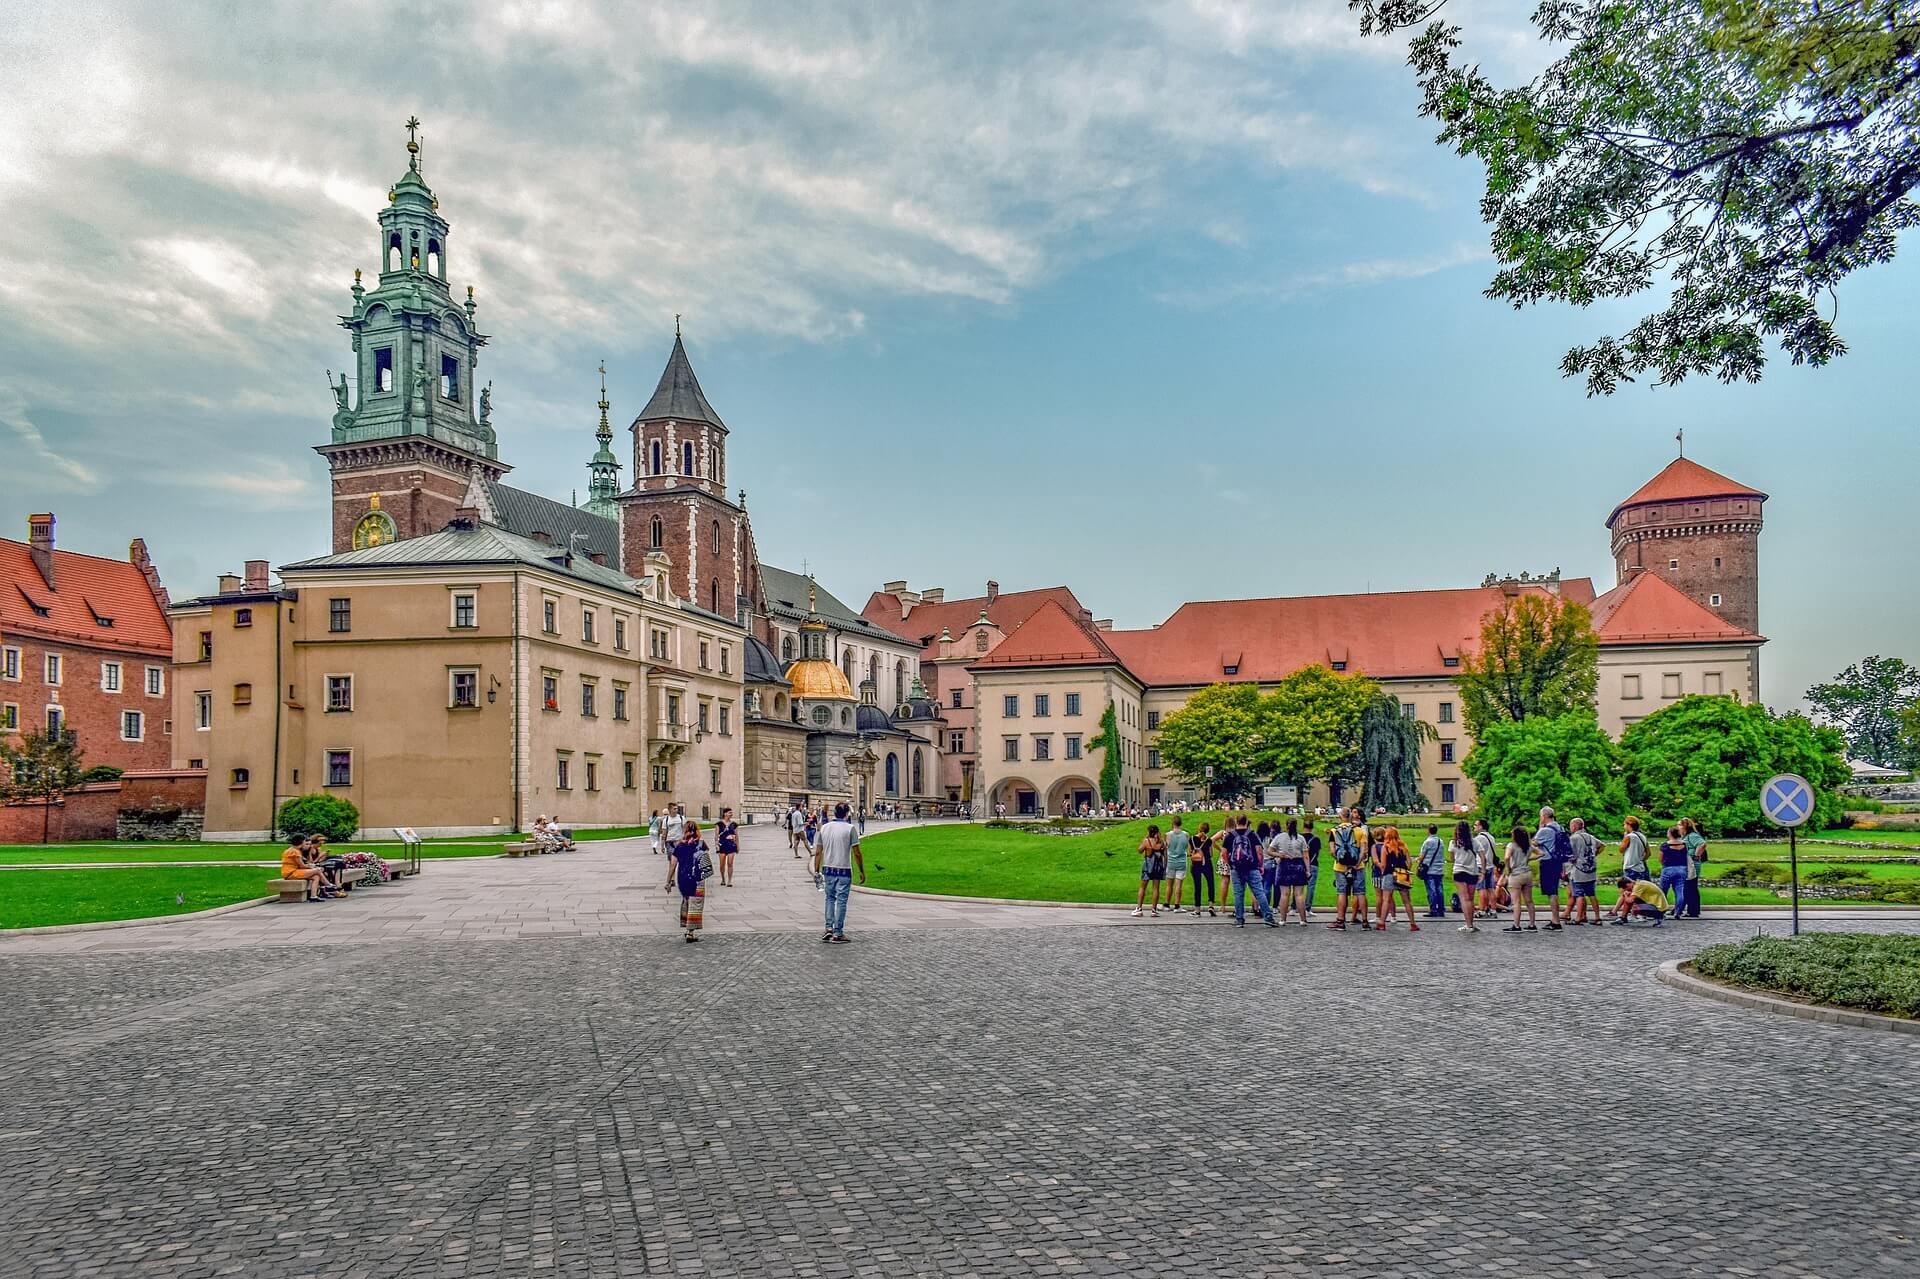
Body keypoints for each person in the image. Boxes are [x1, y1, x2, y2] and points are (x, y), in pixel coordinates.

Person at [812, 802, 865, 943]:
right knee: (841, 901)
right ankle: (838, 933)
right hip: (844, 869)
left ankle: (828, 929)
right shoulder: (850, 829)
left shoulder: (824, 828)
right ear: (847, 814)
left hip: (828, 868)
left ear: (834, 813)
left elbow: (818, 852)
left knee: (829, 899)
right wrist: (861, 871)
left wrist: (816, 871)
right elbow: (857, 853)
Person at [1224, 815, 1277, 927]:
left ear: (1236, 822)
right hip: (1252, 868)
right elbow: (1259, 852)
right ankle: (1268, 917)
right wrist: (1260, 865)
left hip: (1236, 869)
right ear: (1246, 822)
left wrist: (1230, 864)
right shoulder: (1252, 835)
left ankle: (1239, 919)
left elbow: (1224, 853)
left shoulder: (1230, 836)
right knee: (1259, 892)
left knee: (1238, 894)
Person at [667, 819, 709, 943]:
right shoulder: (701, 844)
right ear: (697, 831)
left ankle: (687, 928)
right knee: (696, 903)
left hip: (683, 877)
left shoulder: (679, 846)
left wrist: (668, 882)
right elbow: (705, 862)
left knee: (686, 901)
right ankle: (690, 933)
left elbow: (673, 865)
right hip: (697, 878)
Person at [1375, 826, 1420, 932]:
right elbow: (1409, 862)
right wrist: (1405, 870)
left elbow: (1383, 864)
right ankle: (1413, 923)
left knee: (1386, 899)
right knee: (1407, 901)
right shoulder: (1403, 846)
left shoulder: (1385, 847)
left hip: (1389, 874)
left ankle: (1382, 923)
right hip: (1402, 874)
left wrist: (1382, 871)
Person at [1328, 810, 1366, 932]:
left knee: (1342, 892)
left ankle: (1340, 921)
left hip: (1340, 867)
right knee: (1360, 893)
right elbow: (1363, 851)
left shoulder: (1334, 831)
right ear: (1350, 817)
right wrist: (1356, 863)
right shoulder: (1360, 830)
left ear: (1340, 817)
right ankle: (1365, 922)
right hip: (1358, 867)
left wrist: (1340, 861)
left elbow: (1332, 851)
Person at [1269, 818, 1310, 925]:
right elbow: (1305, 856)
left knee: (1284, 894)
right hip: (1298, 865)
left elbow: (1270, 851)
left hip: (1284, 864)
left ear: (1286, 826)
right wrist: (1308, 870)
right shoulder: (1301, 838)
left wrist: (1279, 855)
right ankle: (1302, 919)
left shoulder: (1279, 837)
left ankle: (1282, 919)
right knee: (1299, 894)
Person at [1534, 806, 1569, 929]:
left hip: (1547, 861)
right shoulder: (1559, 828)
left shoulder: (1545, 831)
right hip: (1557, 861)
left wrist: (1540, 827)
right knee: (1554, 890)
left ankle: (1555, 920)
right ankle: (1555, 919)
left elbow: (1534, 843)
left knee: (1551, 892)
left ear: (1543, 816)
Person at [1566, 817, 1604, 925]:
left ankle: (1579, 917)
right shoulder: (1590, 837)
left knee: (1579, 894)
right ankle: (1597, 917)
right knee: (1592, 894)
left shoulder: (1574, 838)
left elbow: (1569, 853)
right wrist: (1594, 855)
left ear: (1574, 826)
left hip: (1579, 870)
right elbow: (1602, 845)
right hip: (1591, 870)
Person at [1449, 821, 1484, 933]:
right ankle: (1471, 924)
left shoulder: (1454, 843)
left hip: (1459, 871)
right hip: (1472, 872)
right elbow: (1483, 857)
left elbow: (1452, 858)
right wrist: (1482, 871)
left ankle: (1468, 924)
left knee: (1464, 899)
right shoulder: (1474, 842)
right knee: (1471, 898)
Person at [1503, 826, 1539, 932]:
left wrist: (1508, 868)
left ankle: (1516, 925)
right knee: (1529, 900)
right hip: (1527, 874)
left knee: (1517, 902)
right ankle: (1532, 924)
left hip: (1516, 874)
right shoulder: (1528, 846)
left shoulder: (1512, 845)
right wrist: (1528, 858)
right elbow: (1541, 853)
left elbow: (1506, 857)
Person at [280, 836, 332, 901]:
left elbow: (302, 865)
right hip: (291, 873)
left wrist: (310, 866)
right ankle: (328, 885)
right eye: (305, 842)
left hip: (295, 871)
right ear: (301, 842)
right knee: (318, 870)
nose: (306, 844)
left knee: (316, 877)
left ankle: (313, 896)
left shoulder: (294, 850)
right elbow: (302, 866)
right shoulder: (294, 852)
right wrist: (311, 866)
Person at [1133, 824, 1168, 918]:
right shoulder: (1162, 842)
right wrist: (1165, 867)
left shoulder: (1146, 841)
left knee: (1142, 887)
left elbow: (1139, 850)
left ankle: (1139, 909)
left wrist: (1145, 842)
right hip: (1158, 866)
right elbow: (1165, 856)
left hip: (1148, 866)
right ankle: (1154, 910)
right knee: (1156, 888)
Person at [1657, 825, 1690, 920]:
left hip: (1668, 868)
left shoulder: (1665, 845)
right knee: (1680, 891)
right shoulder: (1684, 844)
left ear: (1670, 834)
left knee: (1663, 891)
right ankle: (1678, 911)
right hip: (1681, 869)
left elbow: (1661, 858)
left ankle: (1662, 911)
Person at [1418, 824, 1448, 918]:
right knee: (1440, 890)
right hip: (1439, 869)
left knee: (1431, 890)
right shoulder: (1441, 841)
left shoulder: (1427, 842)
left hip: (1429, 869)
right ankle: (1441, 909)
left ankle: (1433, 909)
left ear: (1428, 831)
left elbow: (1422, 856)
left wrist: (1419, 862)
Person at [1188, 821, 1217, 917]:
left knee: (1197, 886)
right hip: (1207, 863)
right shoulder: (1208, 841)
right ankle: (1211, 905)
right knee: (1210, 884)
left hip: (1196, 863)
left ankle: (1197, 910)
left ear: (1199, 828)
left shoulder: (1192, 839)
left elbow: (1190, 852)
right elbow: (1211, 853)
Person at [1164, 817, 1192, 913]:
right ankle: (1177, 905)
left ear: (1173, 823)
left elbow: (1165, 847)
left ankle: (1167, 904)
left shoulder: (1168, 835)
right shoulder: (1186, 835)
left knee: (1169, 884)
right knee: (1178, 884)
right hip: (1181, 861)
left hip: (1171, 861)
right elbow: (1189, 850)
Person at [1682, 817, 1707, 918]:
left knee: (1691, 887)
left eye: (1679, 825)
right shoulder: (1687, 836)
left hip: (1692, 865)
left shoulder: (1691, 836)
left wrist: (1696, 855)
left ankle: (1693, 910)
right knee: (1689, 887)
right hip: (1690, 864)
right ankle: (1691, 909)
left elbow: (1702, 844)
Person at [1619, 815, 1651, 882]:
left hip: (1630, 867)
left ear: (1629, 825)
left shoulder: (1629, 837)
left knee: (1629, 889)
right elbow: (1648, 853)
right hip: (1641, 868)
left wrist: (1625, 836)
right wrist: (1640, 860)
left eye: (1624, 824)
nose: (1624, 826)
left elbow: (1621, 850)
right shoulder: (1643, 836)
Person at [1301, 819, 1321, 921]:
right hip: (1313, 864)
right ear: (1312, 828)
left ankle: (1294, 907)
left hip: (1300, 865)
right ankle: (1307, 908)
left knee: (1298, 888)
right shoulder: (1316, 839)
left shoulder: (1299, 838)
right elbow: (1317, 853)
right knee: (1311, 886)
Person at [715, 807, 739, 888]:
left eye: (731, 813)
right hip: (722, 845)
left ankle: (729, 881)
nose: (731, 814)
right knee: (722, 864)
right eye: (730, 813)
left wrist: (738, 846)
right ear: (725, 814)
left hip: (731, 846)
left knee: (730, 863)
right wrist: (716, 845)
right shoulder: (719, 824)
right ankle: (723, 879)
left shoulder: (734, 825)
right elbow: (716, 836)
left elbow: (737, 836)